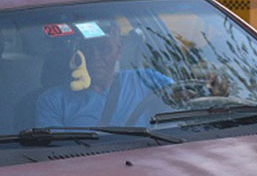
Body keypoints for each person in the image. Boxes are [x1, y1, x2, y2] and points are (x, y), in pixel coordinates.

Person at [35, 21, 171, 128]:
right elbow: (55, 154)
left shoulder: (147, 80)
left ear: (118, 52)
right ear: (76, 55)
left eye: (104, 48)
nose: (95, 56)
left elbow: (184, 97)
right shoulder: (53, 101)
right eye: (87, 49)